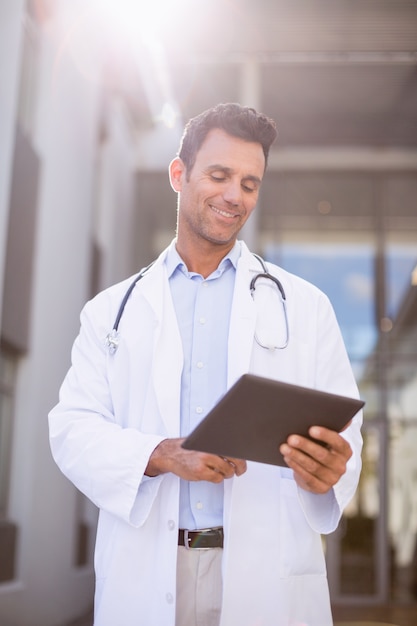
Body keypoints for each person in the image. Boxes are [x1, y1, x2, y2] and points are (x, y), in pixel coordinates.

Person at [49, 102, 363, 626]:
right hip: (149, 566)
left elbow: (345, 432)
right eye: (219, 175)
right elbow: (71, 429)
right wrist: (162, 454)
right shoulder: (111, 310)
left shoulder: (305, 306)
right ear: (179, 174)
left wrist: (330, 469)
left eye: (250, 183)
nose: (234, 196)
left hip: (263, 573)